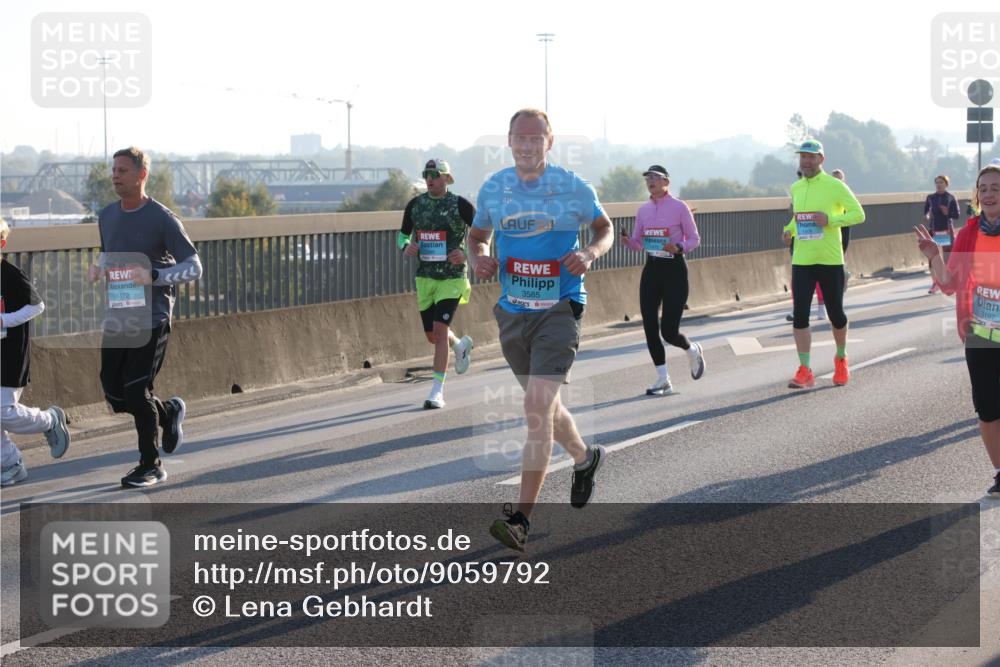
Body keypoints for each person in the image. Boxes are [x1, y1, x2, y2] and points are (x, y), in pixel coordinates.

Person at [469, 108, 613, 551]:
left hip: (560, 309)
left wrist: (589, 253)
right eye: (520, 138)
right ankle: (585, 459)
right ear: (509, 142)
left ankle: (520, 521)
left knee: (536, 405)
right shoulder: (495, 188)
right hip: (514, 312)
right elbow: (477, 236)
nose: (528, 146)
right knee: (546, 408)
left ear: (550, 142)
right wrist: (479, 257)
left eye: (537, 139)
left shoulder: (572, 187)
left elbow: (605, 229)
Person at [88, 147, 203, 488]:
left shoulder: (163, 218)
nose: (115, 175)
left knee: (137, 391)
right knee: (114, 393)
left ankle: (150, 464)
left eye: (122, 170)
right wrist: (101, 268)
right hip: (119, 316)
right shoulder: (107, 215)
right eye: (114, 170)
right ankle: (167, 412)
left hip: (152, 317)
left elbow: (193, 267)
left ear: (141, 175)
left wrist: (153, 276)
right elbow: (112, 256)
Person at [916, 163, 1000, 495]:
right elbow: (949, 284)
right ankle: (999, 471)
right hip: (981, 334)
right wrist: (934, 256)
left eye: (996, 187)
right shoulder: (968, 234)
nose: (990, 193)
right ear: (976, 196)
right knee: (989, 408)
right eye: (984, 188)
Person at [782, 140, 865, 389]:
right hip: (802, 260)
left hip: (830, 260)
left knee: (836, 314)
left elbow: (859, 214)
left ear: (821, 159)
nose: (805, 161)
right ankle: (805, 370)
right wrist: (788, 230)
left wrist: (830, 220)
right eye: (802, 157)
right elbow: (798, 220)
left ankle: (841, 357)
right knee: (799, 315)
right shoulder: (796, 187)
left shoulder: (835, 185)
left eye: (810, 157)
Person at [620, 165, 705, 395]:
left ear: (666, 182)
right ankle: (663, 378)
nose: (651, 181)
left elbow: (695, 239)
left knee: (668, 331)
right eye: (648, 178)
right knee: (649, 326)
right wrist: (628, 241)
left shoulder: (679, 208)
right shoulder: (643, 210)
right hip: (652, 269)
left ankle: (691, 350)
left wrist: (678, 246)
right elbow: (639, 243)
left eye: (656, 177)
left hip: (675, 270)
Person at [398, 159, 475, 409]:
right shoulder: (415, 205)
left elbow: (481, 233)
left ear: (446, 178)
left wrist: (467, 254)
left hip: (452, 277)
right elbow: (402, 235)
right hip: (425, 277)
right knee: (433, 336)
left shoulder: (460, 204)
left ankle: (437, 392)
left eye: (435, 174)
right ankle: (460, 345)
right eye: (426, 174)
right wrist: (405, 246)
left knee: (440, 330)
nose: (430, 178)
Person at [1, 219, 71, 486]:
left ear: (2, 243)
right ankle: (11, 463)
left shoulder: (11, 274)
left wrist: (4, 320)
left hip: (9, 353)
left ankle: (49, 420)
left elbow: (37, 306)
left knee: (4, 410)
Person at [923, 174, 960, 294]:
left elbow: (956, 215)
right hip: (934, 231)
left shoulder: (950, 197)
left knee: (947, 259)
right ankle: (935, 282)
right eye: (937, 182)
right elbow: (926, 212)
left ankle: (950, 281)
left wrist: (947, 212)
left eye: (941, 182)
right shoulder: (930, 198)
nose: (939, 185)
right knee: (932, 258)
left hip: (946, 232)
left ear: (946, 184)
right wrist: (929, 215)